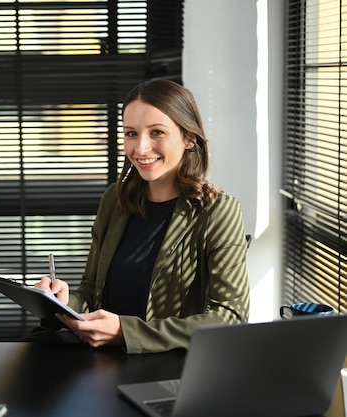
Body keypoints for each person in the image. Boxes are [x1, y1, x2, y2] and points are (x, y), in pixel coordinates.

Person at [33, 78, 250, 354]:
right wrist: (61, 302)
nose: (140, 148)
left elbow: (230, 317)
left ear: (189, 138)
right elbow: (90, 293)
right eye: (131, 134)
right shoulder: (115, 199)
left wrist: (127, 333)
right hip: (98, 361)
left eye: (157, 132)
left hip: (165, 370)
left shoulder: (218, 212)